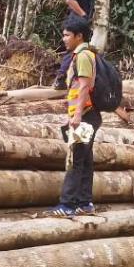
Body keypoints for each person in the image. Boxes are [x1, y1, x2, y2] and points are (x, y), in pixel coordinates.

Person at [47, 15, 103, 216]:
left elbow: (84, 86)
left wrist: (77, 115)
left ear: (79, 36)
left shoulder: (83, 56)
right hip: (89, 114)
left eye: (67, 35)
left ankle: (67, 204)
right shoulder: (85, 55)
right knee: (85, 158)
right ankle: (84, 202)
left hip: (86, 115)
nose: (64, 39)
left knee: (75, 158)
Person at [54, 0, 102, 90]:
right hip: (76, 20)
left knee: (83, 50)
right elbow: (70, 0)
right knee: (74, 49)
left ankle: (79, 78)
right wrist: (83, 15)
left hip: (83, 21)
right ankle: (61, 78)